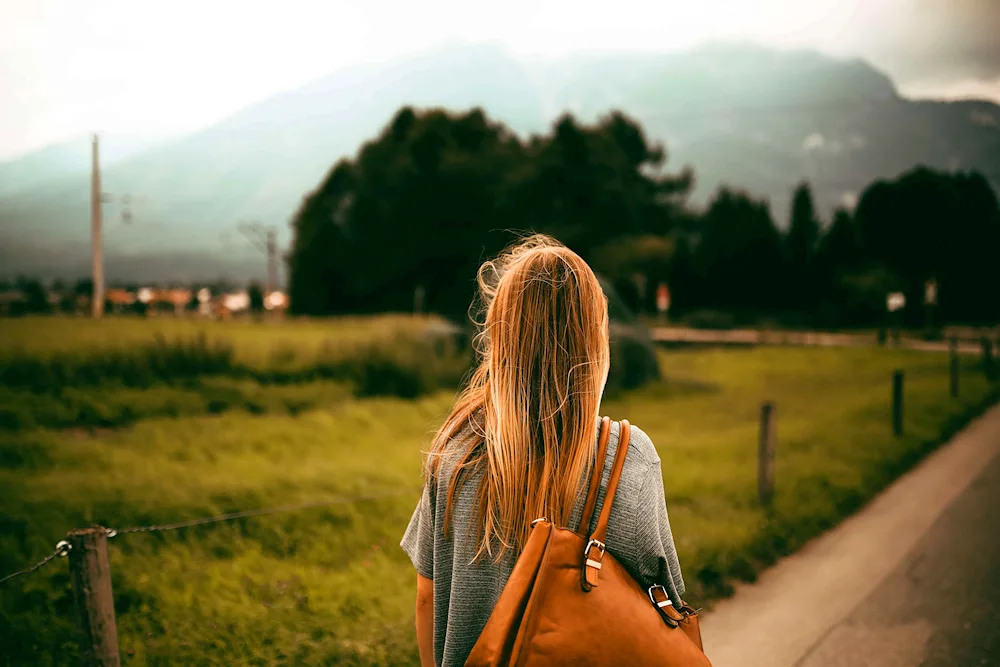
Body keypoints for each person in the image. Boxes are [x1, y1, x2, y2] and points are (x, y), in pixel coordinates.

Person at [401, 234, 686, 667]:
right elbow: (667, 600)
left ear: (501, 335)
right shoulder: (628, 455)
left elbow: (427, 596)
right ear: (594, 339)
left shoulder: (456, 452)